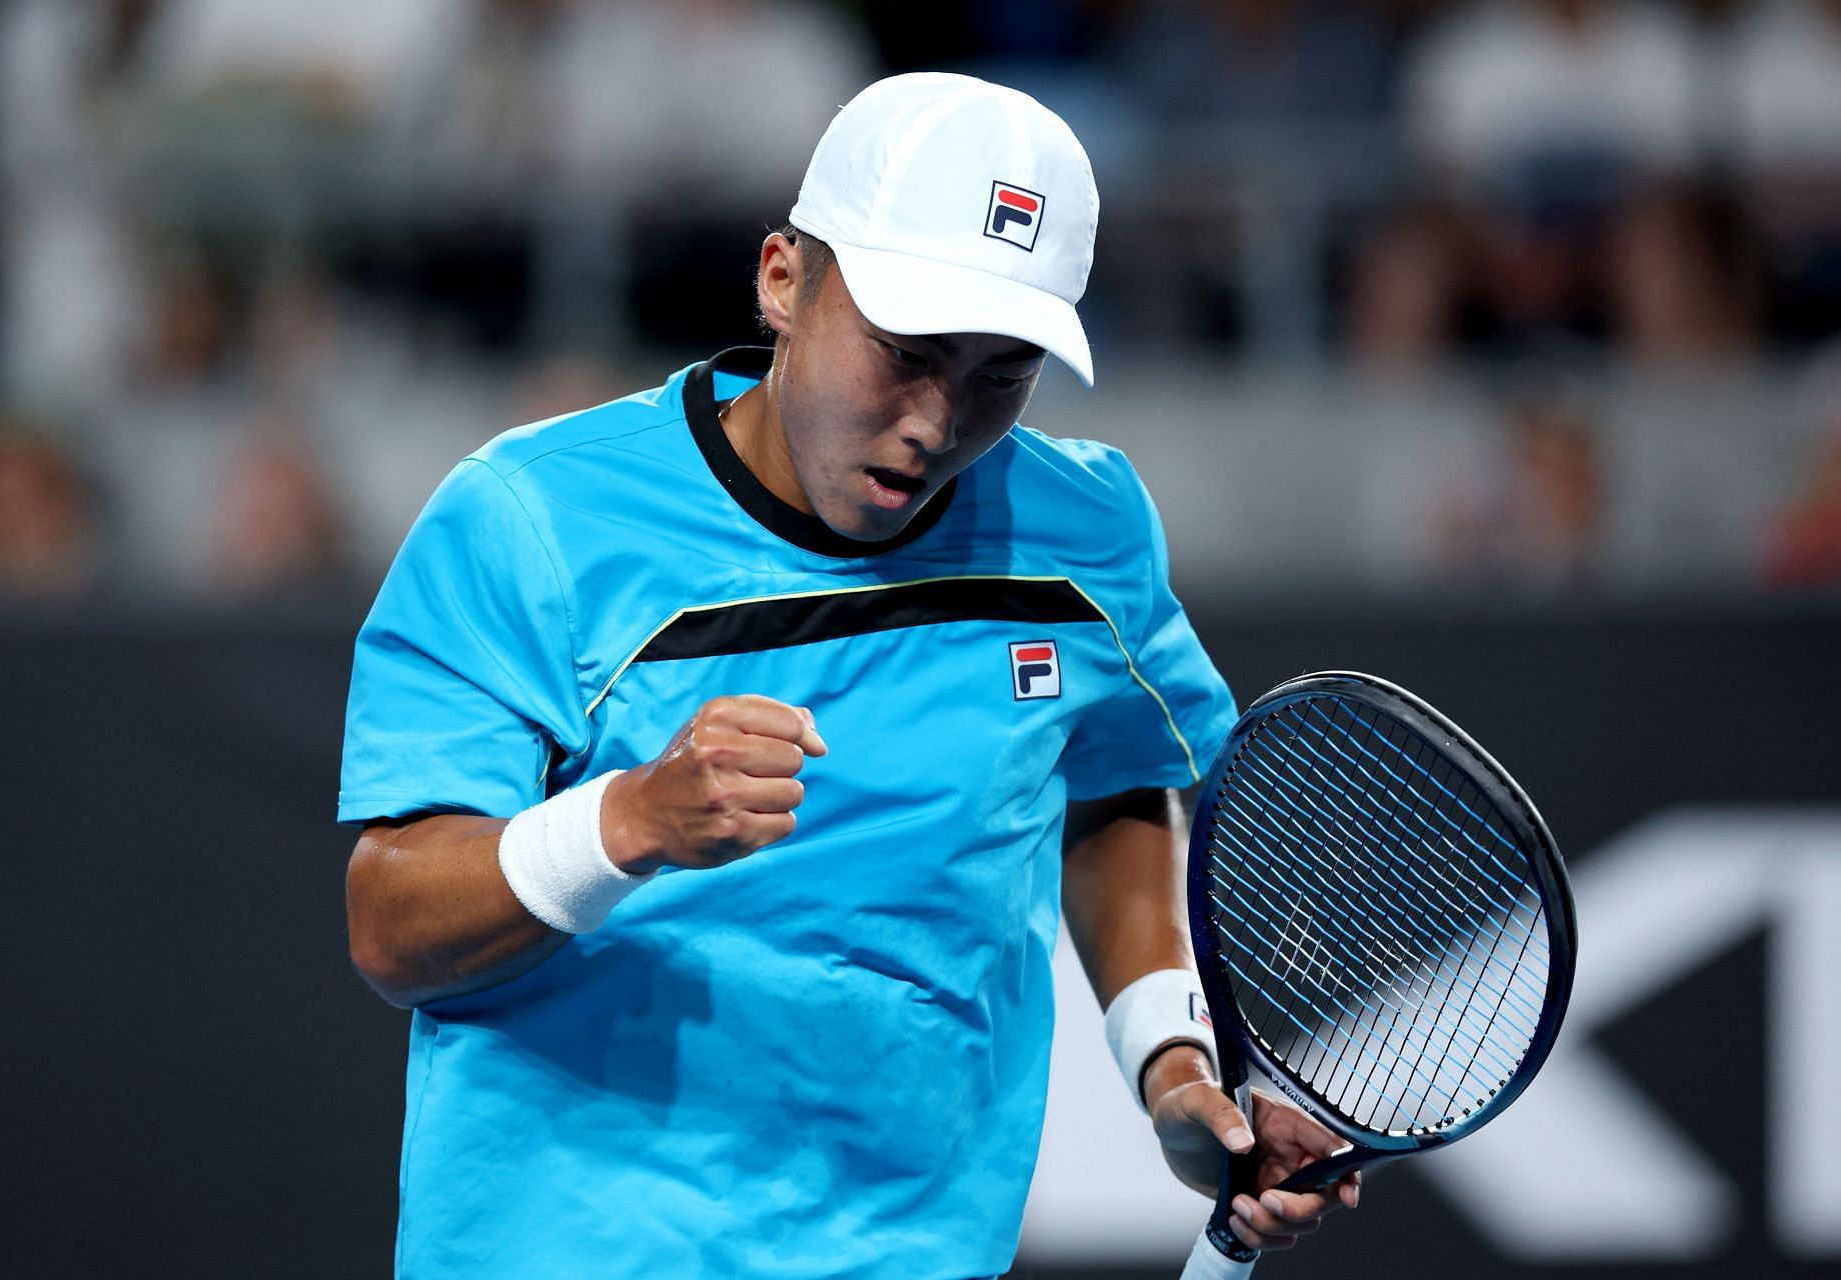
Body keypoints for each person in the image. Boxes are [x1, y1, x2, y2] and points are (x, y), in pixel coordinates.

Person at [339, 72, 1359, 1278]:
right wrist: (626, 821)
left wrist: (1173, 1069)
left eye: (1000, 373)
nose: (936, 421)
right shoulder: (528, 520)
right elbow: (391, 922)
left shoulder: (1089, 535)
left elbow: (1114, 787)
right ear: (783, 278)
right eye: (908, 351)